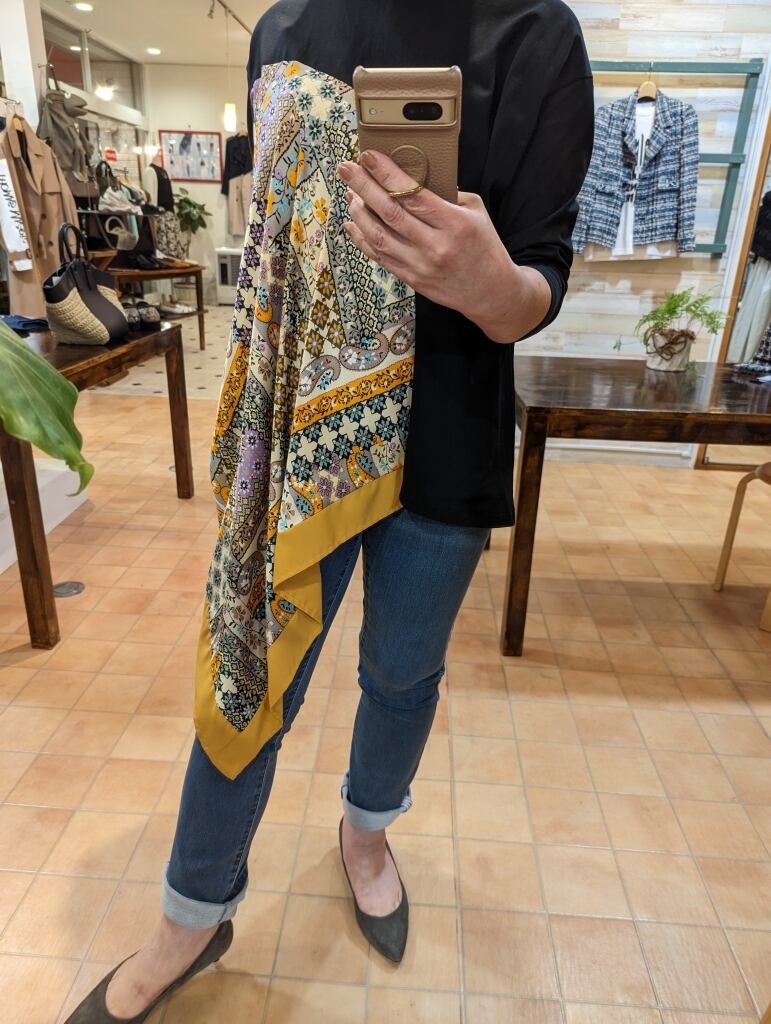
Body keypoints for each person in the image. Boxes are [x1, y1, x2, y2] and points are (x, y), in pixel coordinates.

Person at [66, 1, 593, 1020]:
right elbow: (276, 245)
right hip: (300, 430)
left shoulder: (534, 32)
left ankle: (365, 832)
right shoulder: (285, 27)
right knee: (251, 665)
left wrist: (493, 287)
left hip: (447, 429)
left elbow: (542, 273)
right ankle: (190, 917)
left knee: (401, 676)